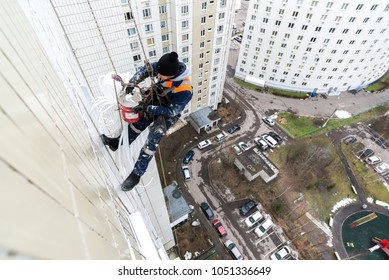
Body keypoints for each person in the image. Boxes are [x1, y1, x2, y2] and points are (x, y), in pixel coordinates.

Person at [101, 52, 192, 191]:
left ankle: (136, 174)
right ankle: (117, 142)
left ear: (172, 75)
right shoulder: (164, 67)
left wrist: (147, 107)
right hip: (157, 100)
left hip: (169, 113)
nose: (158, 76)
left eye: (161, 75)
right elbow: (145, 71)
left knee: (153, 139)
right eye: (159, 73)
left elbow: (171, 111)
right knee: (138, 124)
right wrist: (132, 83)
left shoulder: (185, 89)